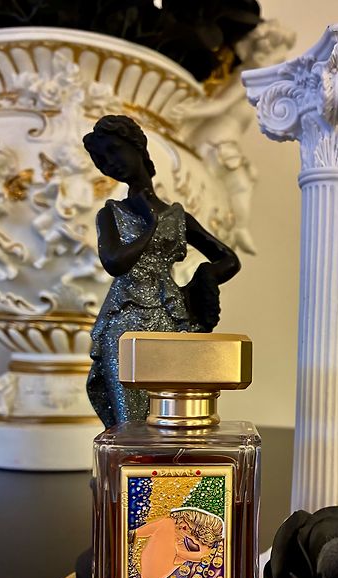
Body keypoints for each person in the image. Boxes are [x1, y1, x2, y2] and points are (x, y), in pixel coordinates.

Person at [82, 114, 241, 427]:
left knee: (168, 411)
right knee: (128, 415)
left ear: (137, 146)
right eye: (102, 160)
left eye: (114, 151)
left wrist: (203, 280)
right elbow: (115, 262)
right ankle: (129, 459)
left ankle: (165, 459)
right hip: (124, 319)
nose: (110, 163)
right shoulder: (111, 213)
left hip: (170, 317)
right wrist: (150, 225)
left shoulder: (178, 217)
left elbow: (229, 260)